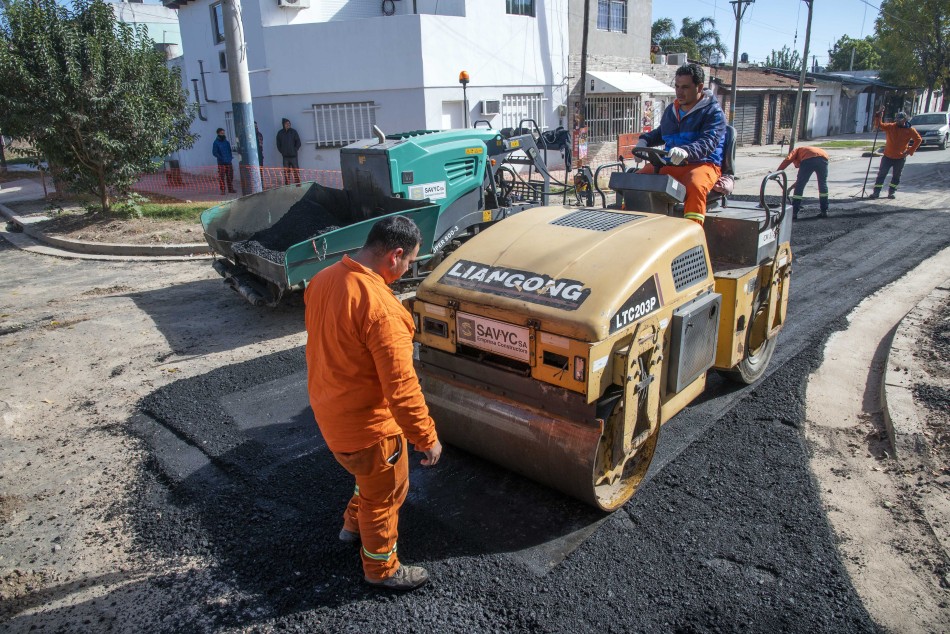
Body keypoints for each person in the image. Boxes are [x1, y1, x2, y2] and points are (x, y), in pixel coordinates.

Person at [304, 215, 442, 592]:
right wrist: (426, 437)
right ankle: (381, 569)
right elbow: (401, 386)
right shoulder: (382, 308)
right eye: (411, 261)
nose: (409, 268)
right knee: (385, 497)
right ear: (395, 255)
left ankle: (351, 527)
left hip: (331, 415)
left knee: (368, 480)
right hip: (371, 431)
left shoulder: (323, 280)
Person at [636, 63, 726, 226]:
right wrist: (645, 139)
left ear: (699, 87)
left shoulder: (713, 113)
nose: (679, 92)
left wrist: (686, 151)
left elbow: (708, 142)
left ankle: (691, 235)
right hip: (672, 163)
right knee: (638, 179)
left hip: (703, 164)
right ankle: (632, 227)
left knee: (695, 184)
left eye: (685, 87)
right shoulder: (672, 110)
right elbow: (661, 132)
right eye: (677, 86)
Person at [868, 109, 921, 200]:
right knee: (881, 174)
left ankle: (891, 192)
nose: (898, 122)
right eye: (897, 120)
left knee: (896, 176)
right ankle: (876, 192)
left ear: (904, 120)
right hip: (887, 156)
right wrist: (878, 115)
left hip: (900, 157)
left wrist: (909, 151)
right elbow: (879, 125)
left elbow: (918, 140)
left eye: (900, 120)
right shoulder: (891, 126)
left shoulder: (910, 130)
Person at [778, 146, 830, 219]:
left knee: (800, 187)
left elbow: (788, 159)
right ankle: (824, 211)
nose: (797, 166)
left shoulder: (797, 150)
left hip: (809, 159)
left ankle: (794, 213)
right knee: (822, 184)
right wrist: (790, 188)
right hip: (823, 158)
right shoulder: (806, 150)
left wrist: (777, 172)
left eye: (797, 165)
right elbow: (801, 180)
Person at [276, 118, 302, 184]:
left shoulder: (293, 132)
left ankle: (298, 185)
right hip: (285, 157)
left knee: (296, 172)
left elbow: (298, 142)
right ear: (283, 124)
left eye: (289, 123)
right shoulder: (280, 133)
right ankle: (287, 186)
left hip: (293, 156)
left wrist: (295, 150)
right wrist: (282, 151)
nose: (288, 125)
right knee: (286, 173)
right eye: (287, 123)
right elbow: (278, 144)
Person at [212, 127, 235, 194]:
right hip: (221, 163)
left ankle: (231, 189)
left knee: (230, 176)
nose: (223, 134)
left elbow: (230, 151)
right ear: (218, 133)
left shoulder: (226, 142)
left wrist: (230, 158)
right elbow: (214, 152)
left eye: (223, 133)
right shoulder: (216, 143)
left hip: (228, 162)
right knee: (222, 177)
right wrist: (221, 158)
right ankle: (223, 190)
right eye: (221, 133)